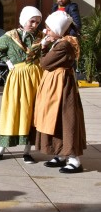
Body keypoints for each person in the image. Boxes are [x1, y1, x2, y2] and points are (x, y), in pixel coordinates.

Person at [0, 6, 44, 162]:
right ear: (24, 20)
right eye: (32, 21)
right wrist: (7, 60)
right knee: (12, 110)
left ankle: (27, 151)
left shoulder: (41, 37)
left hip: (36, 77)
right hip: (17, 77)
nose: (35, 25)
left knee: (31, 112)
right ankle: (0, 149)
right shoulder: (11, 36)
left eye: (37, 22)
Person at [34, 11, 87, 173]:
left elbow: (45, 63)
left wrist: (43, 46)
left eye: (49, 29)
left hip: (61, 85)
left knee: (66, 119)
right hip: (57, 83)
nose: (46, 31)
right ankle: (61, 154)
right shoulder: (61, 42)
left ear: (58, 30)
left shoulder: (64, 45)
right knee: (56, 119)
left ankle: (74, 160)